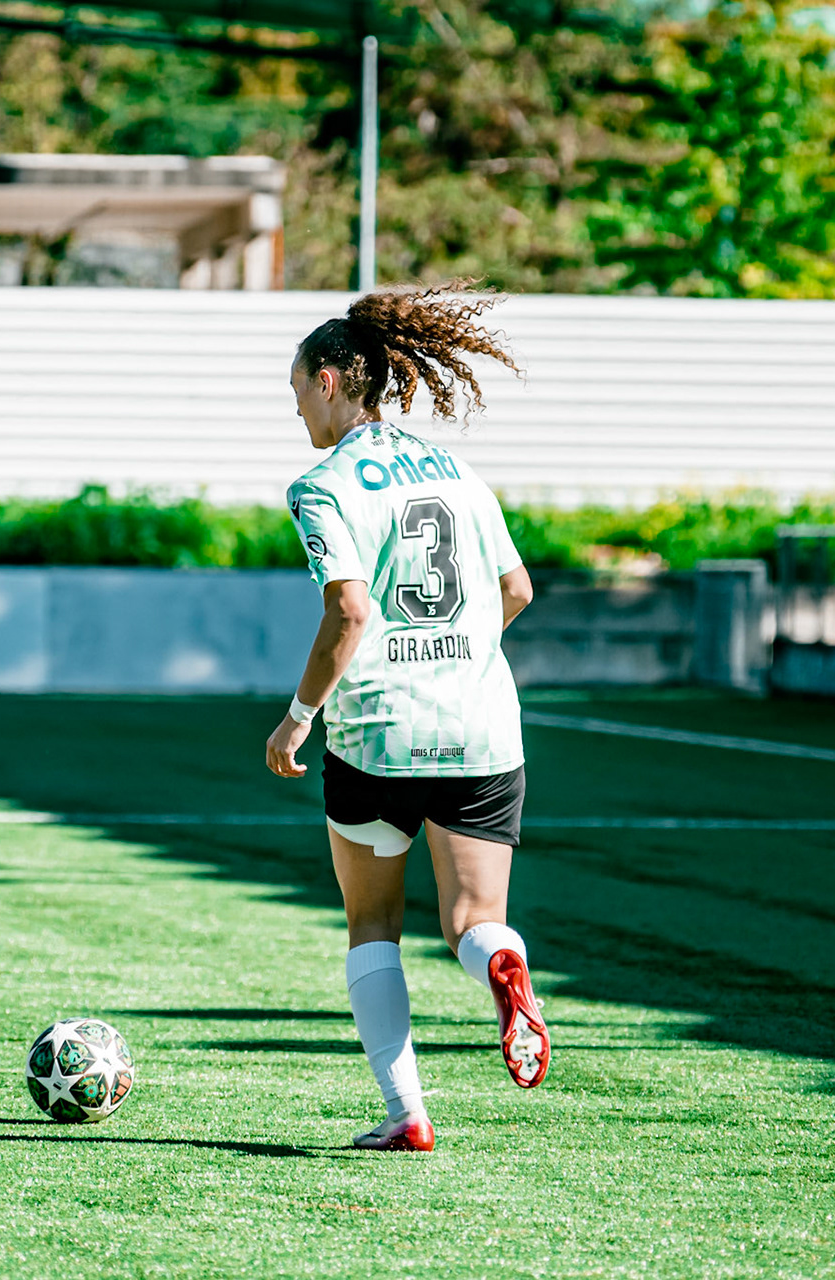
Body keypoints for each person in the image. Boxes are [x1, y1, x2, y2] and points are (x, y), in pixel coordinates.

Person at [263, 285, 545, 1154]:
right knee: (470, 922)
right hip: (482, 729)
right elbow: (518, 590)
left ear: (335, 378)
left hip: (378, 735)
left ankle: (406, 1113)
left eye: (298, 388)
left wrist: (298, 716)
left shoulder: (322, 486)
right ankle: (503, 966)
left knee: (372, 924)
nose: (297, 406)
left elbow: (349, 612)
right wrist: (458, 658)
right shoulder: (459, 474)